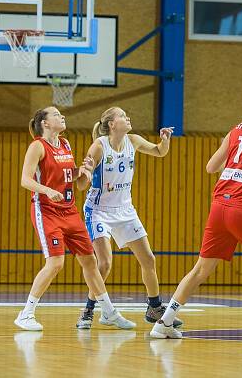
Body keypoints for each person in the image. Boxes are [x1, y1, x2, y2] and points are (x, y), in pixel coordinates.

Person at [149, 84, 242, 341]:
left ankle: (164, 322)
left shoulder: (236, 130)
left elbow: (210, 167)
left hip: (220, 204)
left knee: (200, 269)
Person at [16, 107, 134, 331]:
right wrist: (47, 190)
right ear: (45, 123)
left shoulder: (66, 145)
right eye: (56, 114)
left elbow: (77, 185)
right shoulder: (38, 146)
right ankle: (26, 314)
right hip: (47, 210)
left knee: (91, 262)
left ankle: (108, 312)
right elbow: (25, 180)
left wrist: (85, 172)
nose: (62, 116)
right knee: (56, 263)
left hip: (69, 211)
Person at [77, 107, 174, 329]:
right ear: (111, 124)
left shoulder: (134, 141)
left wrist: (165, 140)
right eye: (122, 116)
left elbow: (160, 152)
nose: (128, 118)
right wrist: (86, 172)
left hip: (125, 211)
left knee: (148, 259)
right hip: (99, 210)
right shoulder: (99, 146)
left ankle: (154, 307)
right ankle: (89, 311)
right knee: (104, 264)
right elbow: (81, 185)